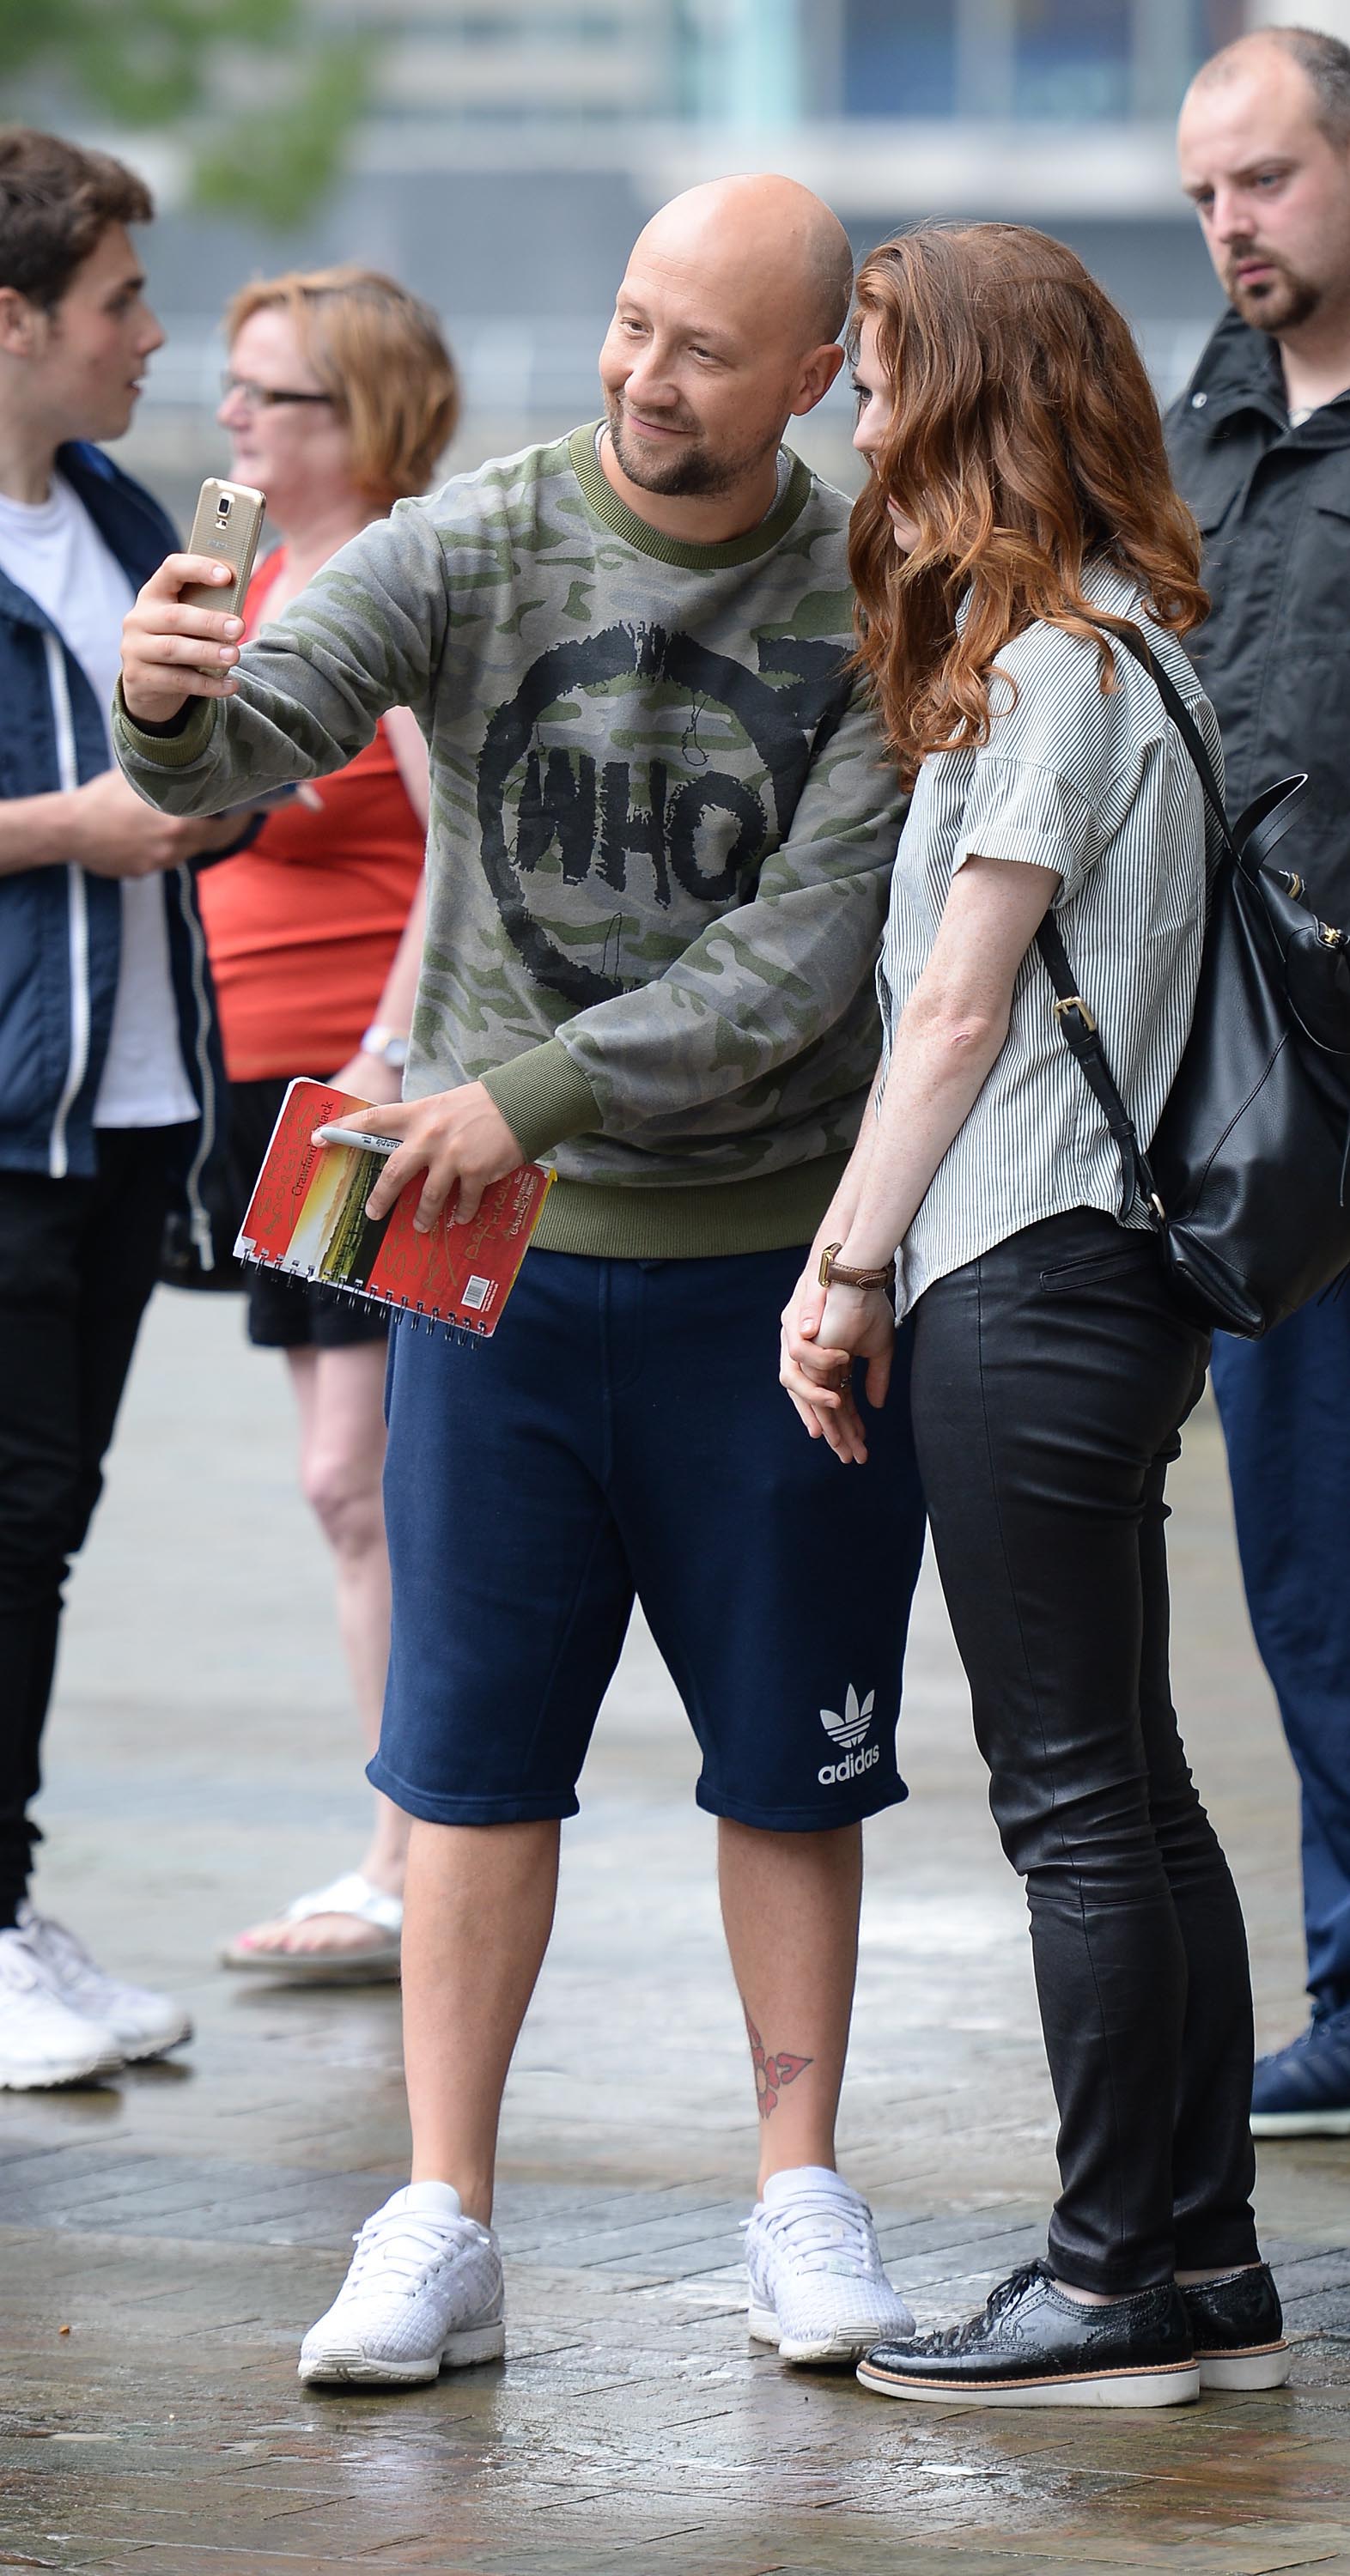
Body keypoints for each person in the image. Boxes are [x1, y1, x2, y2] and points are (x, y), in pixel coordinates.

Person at [113, 175, 929, 2387]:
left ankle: (798, 2193)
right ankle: (438, 2215)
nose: (647, 378)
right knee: (467, 1768)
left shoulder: (873, 581)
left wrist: (530, 1090)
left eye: (701, 349)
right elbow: (262, 729)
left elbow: (805, 957)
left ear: (814, 374)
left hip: (772, 1260)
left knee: (794, 1760)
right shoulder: (483, 536)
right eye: (632, 325)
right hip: (479, 1255)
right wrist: (177, 708)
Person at [781, 222, 1286, 2408]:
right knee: (1140, 1792)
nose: (857, 419)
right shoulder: (1132, 650)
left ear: (974, 399)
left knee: (1074, 1799)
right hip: (1094, 1276)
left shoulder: (1059, 672)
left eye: (883, 380)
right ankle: (1198, 2267)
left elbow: (962, 1010)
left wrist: (845, 1266)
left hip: (1023, 1264)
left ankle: (1106, 2279)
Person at [0, 130, 247, 2088]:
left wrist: (216, 788)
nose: (153, 338)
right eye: (119, 307)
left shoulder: (115, 513)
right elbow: (88, 818)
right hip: (12, 1112)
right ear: (13, 322)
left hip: (135, 1102)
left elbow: (185, 771)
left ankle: (12, 1911)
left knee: (49, 1524)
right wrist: (65, 830)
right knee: (9, 1530)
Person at [202, 266, 457, 1982]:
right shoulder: (257, 583)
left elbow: (464, 851)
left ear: (351, 415)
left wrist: (387, 1051)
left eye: (267, 395)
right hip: (253, 1089)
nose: (230, 421)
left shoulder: (406, 588)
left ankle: (411, 1854)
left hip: (353, 1099)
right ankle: (404, 1846)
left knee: (360, 1481)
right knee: (343, 1488)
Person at [1171, 22, 1350, 2140]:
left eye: (1271, 181)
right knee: (1309, 1571)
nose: (1233, 223)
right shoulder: (1194, 424)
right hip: (1268, 1121)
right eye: (1210, 190)